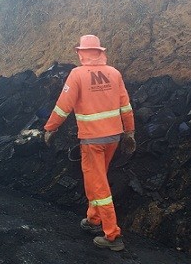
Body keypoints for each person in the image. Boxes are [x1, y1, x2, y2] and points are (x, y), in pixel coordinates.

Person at [43, 34, 136, 251]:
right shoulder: (114, 73)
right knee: (97, 177)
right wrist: (129, 132)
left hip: (93, 140)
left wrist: (50, 127)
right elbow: (126, 106)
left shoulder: (77, 75)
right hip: (113, 137)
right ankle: (94, 219)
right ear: (100, 51)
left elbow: (63, 106)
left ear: (81, 53)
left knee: (98, 184)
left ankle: (113, 235)